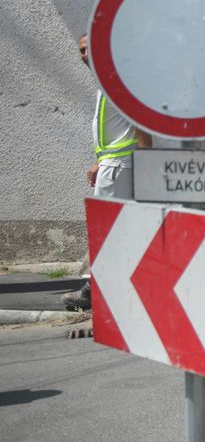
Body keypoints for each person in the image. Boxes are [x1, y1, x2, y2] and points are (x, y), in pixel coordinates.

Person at [64, 34, 152, 310]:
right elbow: (114, 130)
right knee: (116, 227)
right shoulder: (108, 83)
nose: (84, 55)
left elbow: (141, 122)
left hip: (120, 166)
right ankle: (123, 288)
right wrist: (99, 160)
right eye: (80, 51)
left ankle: (94, 291)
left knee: (105, 228)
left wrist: (146, 164)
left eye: (88, 49)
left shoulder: (118, 80)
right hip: (114, 163)